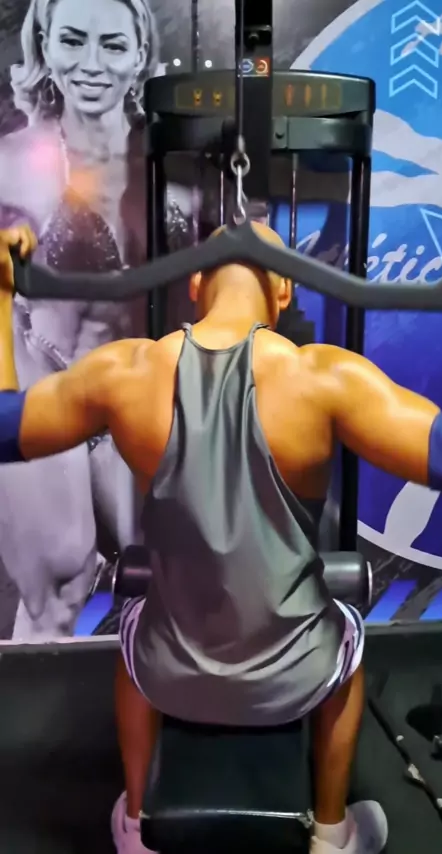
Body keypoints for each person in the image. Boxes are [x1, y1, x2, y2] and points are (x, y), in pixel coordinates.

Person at [2, 223, 442, 854]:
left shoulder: (124, 371)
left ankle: (137, 825)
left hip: (169, 668)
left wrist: (1, 294)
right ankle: (332, 833)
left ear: (196, 282)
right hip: (295, 672)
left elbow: (4, 427)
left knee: (135, 626)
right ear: (284, 290)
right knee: (348, 641)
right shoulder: (324, 377)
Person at [0, 0, 194, 639]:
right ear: (45, 45)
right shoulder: (12, 162)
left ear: (139, 55)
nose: (91, 64)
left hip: (140, 397)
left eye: (112, 45)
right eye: (73, 41)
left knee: (170, 589)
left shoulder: (176, 166)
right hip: (52, 390)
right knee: (58, 590)